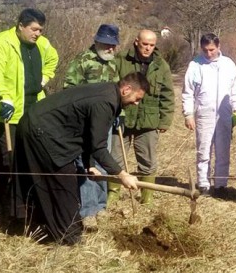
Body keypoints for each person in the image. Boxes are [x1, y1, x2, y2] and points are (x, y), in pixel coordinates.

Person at [12, 73, 146, 245]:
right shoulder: (105, 101)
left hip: (40, 126)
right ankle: (67, 237)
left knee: (54, 182)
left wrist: (89, 164)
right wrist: (122, 174)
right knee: (63, 186)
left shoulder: (108, 94)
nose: (136, 103)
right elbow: (98, 146)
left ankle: (41, 226)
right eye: (137, 98)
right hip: (42, 131)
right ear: (127, 89)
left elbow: (88, 134)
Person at [0, 8, 59, 204]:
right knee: (5, 155)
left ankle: (21, 198)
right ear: (21, 26)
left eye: (41, 30)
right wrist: (4, 97)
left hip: (33, 108)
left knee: (29, 153)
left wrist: (44, 78)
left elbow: (53, 58)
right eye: (34, 29)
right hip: (6, 110)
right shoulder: (0, 43)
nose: (38, 34)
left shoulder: (42, 44)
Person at [63, 24, 120, 225]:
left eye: (113, 45)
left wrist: (118, 112)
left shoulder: (113, 64)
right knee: (87, 165)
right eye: (107, 44)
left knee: (103, 163)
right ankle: (88, 211)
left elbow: (118, 91)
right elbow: (69, 90)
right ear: (97, 41)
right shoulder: (82, 62)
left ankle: (100, 205)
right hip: (85, 123)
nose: (110, 49)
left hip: (107, 122)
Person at [110, 29, 175, 205]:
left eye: (152, 45)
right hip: (121, 118)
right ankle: (113, 195)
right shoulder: (121, 60)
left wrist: (165, 120)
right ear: (136, 42)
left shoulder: (161, 65)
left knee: (148, 161)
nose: (148, 48)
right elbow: (112, 86)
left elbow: (168, 95)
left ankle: (147, 197)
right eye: (145, 44)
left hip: (149, 121)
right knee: (115, 158)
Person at [182, 33, 236, 198]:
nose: (209, 53)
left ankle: (221, 184)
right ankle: (203, 183)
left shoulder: (228, 64)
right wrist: (188, 114)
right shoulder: (195, 65)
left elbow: (234, 88)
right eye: (205, 50)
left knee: (223, 150)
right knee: (204, 149)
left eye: (212, 50)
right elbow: (188, 92)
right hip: (204, 113)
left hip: (224, 113)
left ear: (218, 46)